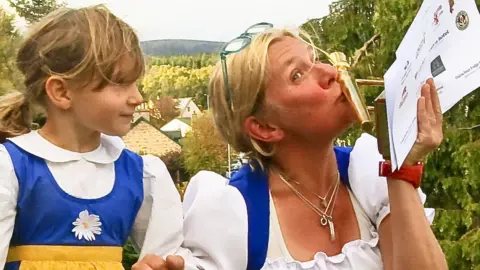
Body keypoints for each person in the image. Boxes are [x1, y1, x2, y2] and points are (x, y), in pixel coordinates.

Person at [136, 23, 448, 270]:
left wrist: (400, 166)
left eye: (316, 61)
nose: (330, 73)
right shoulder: (235, 215)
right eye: (297, 75)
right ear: (265, 128)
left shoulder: (369, 176)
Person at [0, 5, 187, 270]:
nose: (137, 98)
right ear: (62, 92)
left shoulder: (142, 175)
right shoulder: (11, 169)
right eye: (120, 83)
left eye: (136, 83)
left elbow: (164, 255)